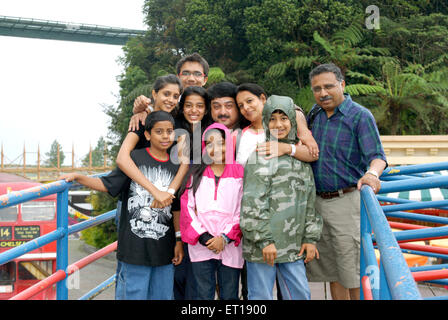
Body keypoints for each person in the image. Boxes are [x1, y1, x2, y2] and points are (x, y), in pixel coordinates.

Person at [59, 111, 184, 300]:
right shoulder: (134, 159)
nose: (166, 136)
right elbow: (108, 184)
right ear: (148, 135)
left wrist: (178, 240)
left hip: (164, 250)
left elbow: (176, 209)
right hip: (134, 251)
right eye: (159, 132)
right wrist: (79, 178)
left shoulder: (176, 165)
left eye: (169, 131)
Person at [304, 63, 387, 300]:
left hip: (347, 200)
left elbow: (378, 157)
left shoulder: (360, 115)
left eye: (329, 86)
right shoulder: (315, 114)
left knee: (352, 270)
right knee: (332, 270)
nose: (323, 93)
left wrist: (372, 174)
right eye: (317, 89)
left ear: (342, 84)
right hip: (318, 203)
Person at [240, 95, 322, 300]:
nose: (278, 124)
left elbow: (310, 203)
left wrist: (310, 238)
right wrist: (264, 240)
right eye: (272, 118)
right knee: (260, 297)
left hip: (294, 246)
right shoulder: (260, 156)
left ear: (293, 122)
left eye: (284, 118)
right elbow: (252, 204)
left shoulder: (301, 158)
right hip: (263, 248)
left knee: (300, 294)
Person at [179, 123, 244, 300]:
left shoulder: (239, 172)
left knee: (229, 295)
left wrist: (225, 238)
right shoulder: (196, 173)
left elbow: (243, 209)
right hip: (202, 244)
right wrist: (205, 238)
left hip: (230, 245)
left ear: (228, 144)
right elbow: (187, 208)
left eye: (221, 143)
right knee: (203, 295)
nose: (215, 148)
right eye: (210, 143)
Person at [235, 83, 318, 167]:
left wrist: (286, 148)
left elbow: (314, 154)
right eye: (241, 106)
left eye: (249, 101)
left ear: (263, 99)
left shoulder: (284, 128)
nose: (245, 107)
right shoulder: (241, 135)